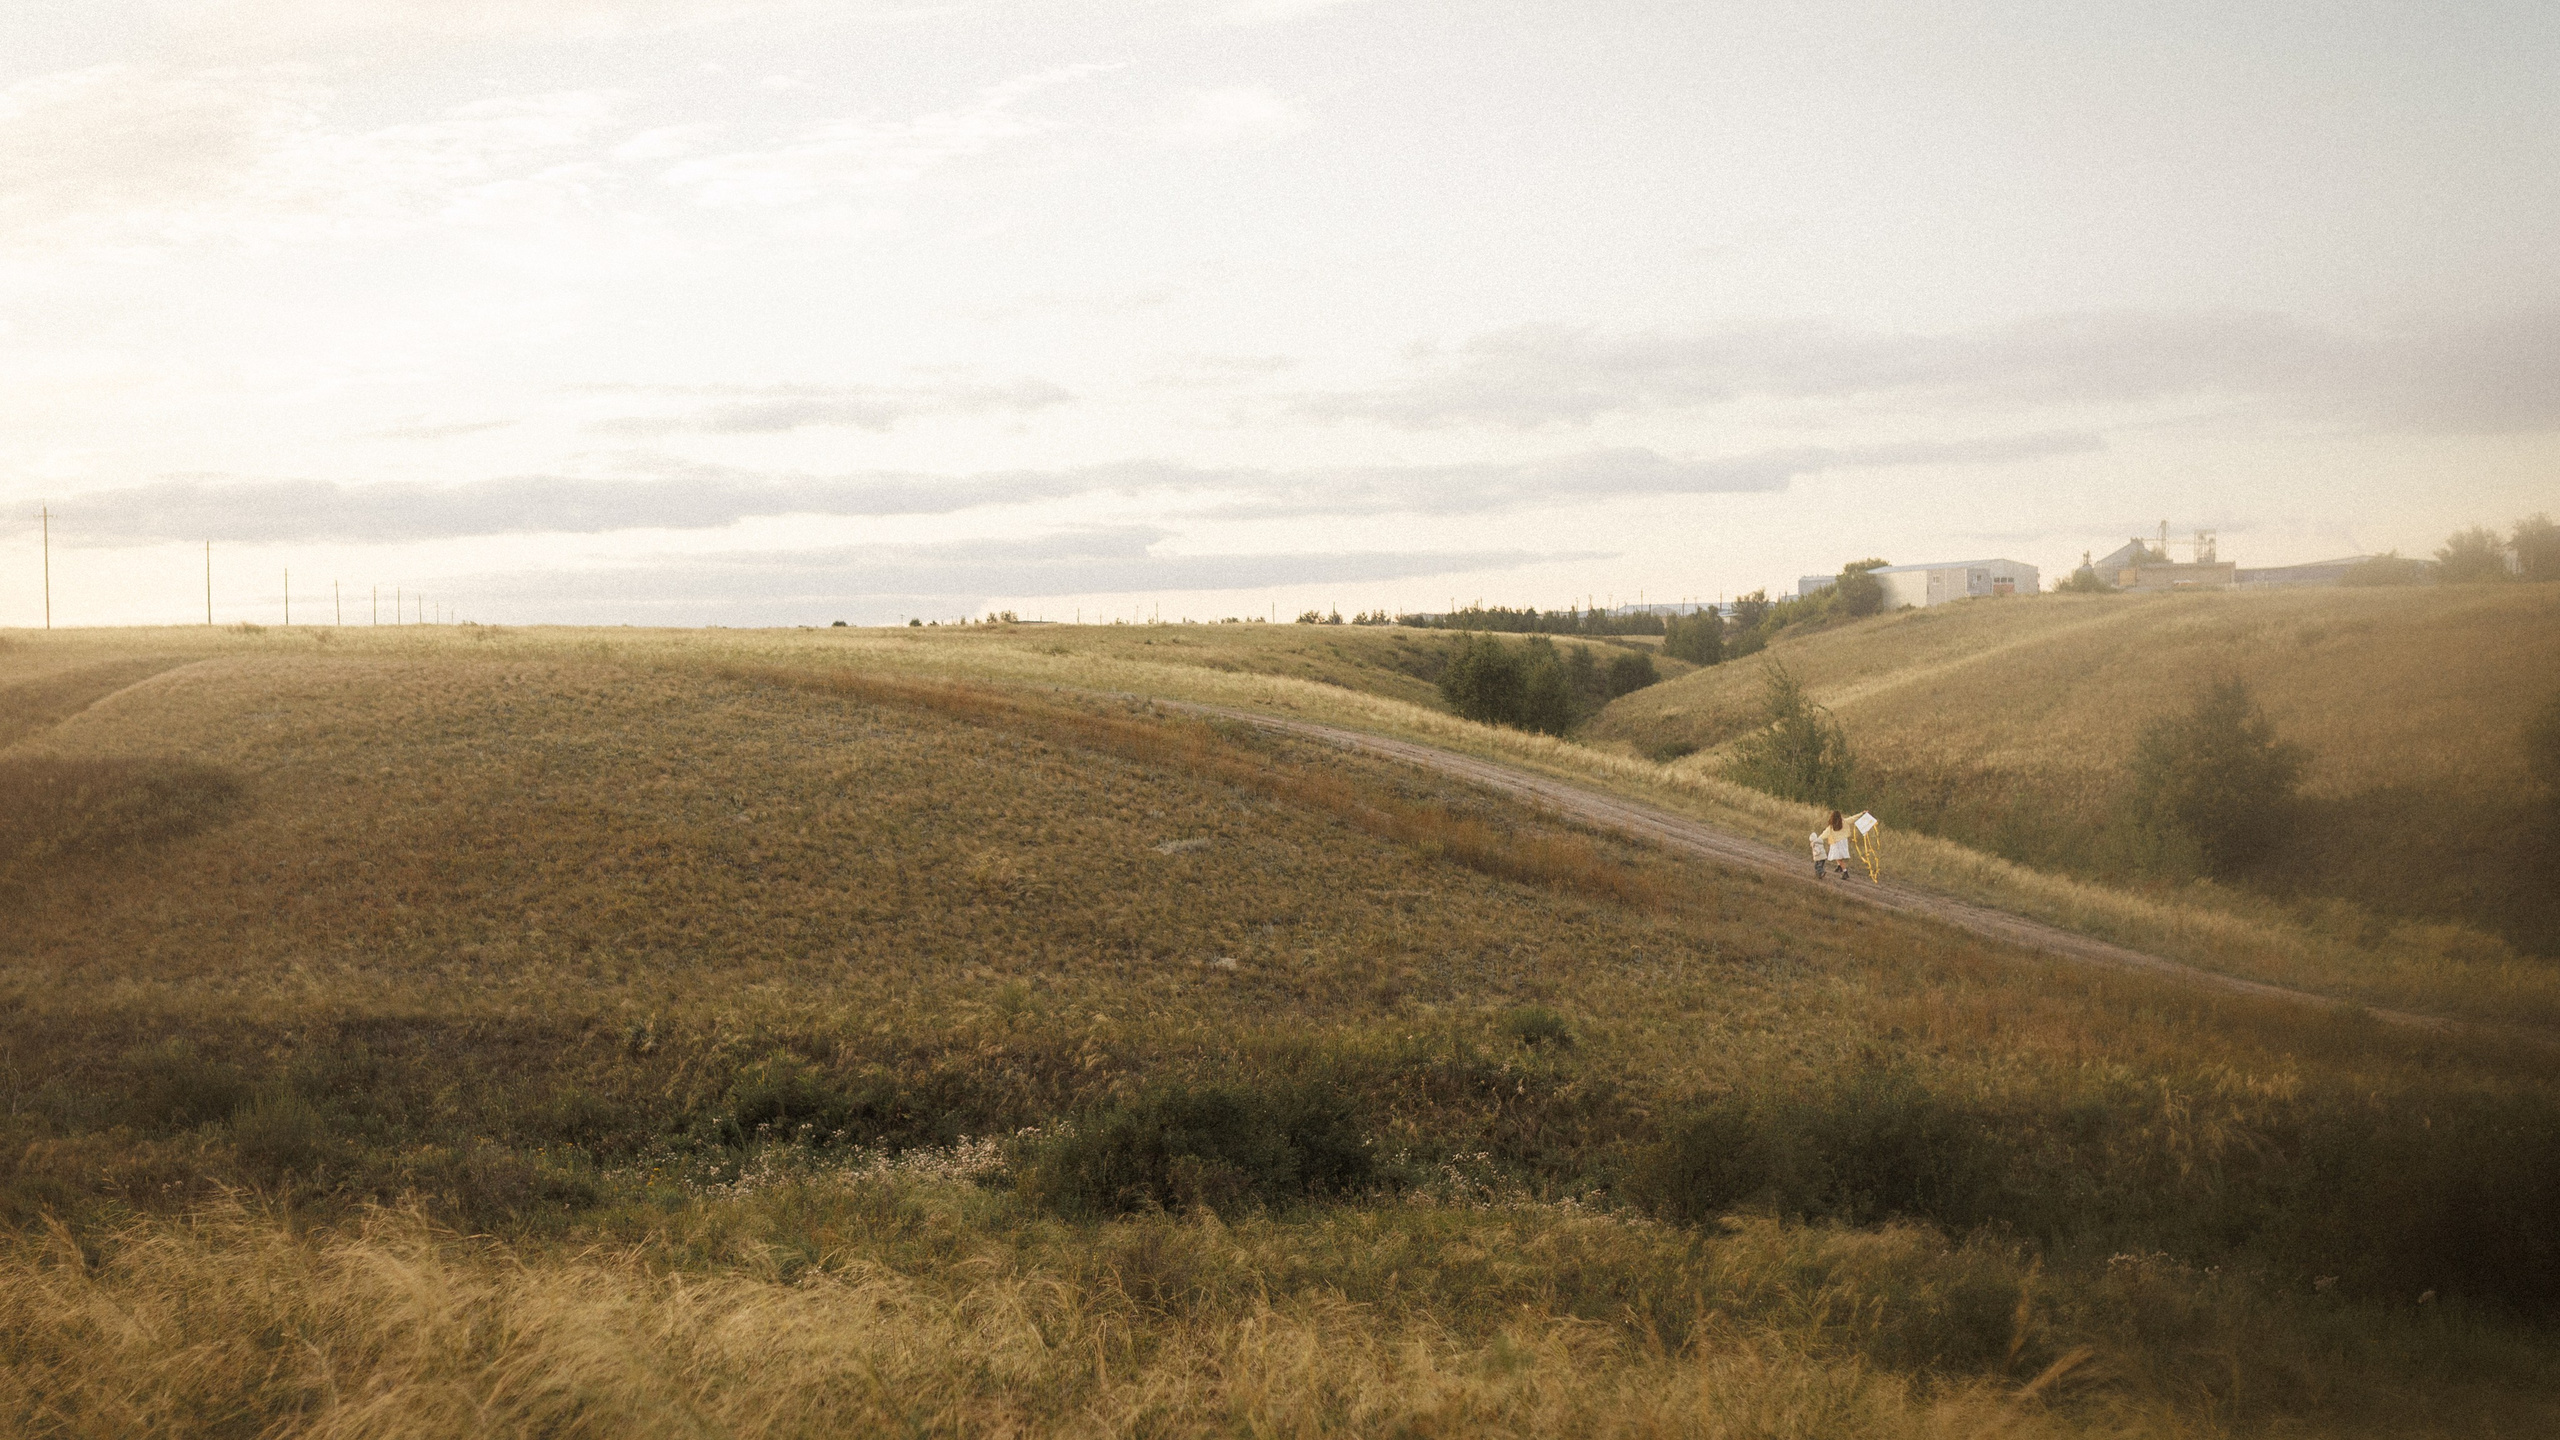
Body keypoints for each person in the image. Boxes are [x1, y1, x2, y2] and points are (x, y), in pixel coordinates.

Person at [1817, 810, 1850, 880]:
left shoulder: (1831, 827)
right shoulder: (1844, 822)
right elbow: (1853, 818)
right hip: (1843, 842)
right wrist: (1862, 813)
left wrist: (1816, 840)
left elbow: (1824, 834)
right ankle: (1839, 867)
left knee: (1838, 858)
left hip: (1836, 843)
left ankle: (1845, 872)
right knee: (1837, 856)